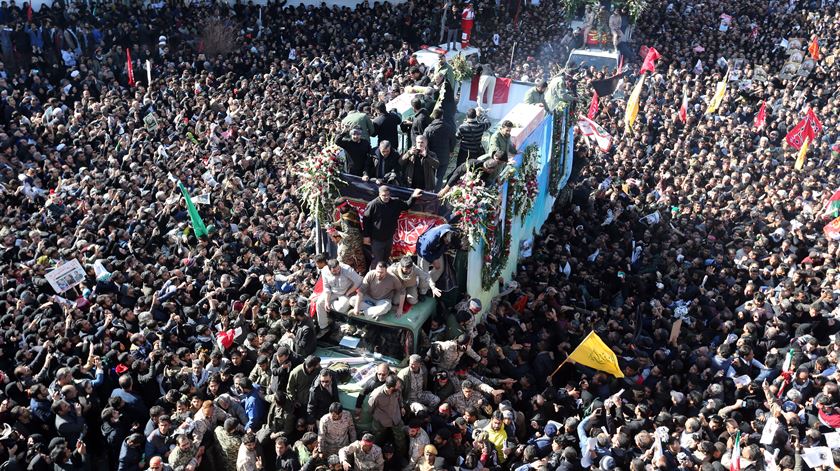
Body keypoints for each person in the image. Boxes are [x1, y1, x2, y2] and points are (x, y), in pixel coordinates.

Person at [362, 186, 423, 268]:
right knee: (377, 262)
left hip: (389, 239)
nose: (386, 197)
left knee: (385, 260)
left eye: (388, 194)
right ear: (379, 194)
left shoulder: (395, 202)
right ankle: (373, 277)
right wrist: (366, 236)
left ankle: (383, 277)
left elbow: (407, 205)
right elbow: (366, 220)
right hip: (377, 240)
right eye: (384, 195)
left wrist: (413, 196)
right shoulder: (373, 205)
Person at [315, 259, 363, 336]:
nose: (337, 272)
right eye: (334, 271)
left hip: (346, 293)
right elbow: (326, 287)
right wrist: (327, 301)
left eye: (338, 269)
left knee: (342, 308)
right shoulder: (324, 271)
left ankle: (330, 308)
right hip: (332, 292)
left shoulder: (346, 269)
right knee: (319, 303)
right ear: (329, 269)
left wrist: (350, 291)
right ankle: (324, 327)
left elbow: (359, 280)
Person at [438, 150, 508, 199]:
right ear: (488, 169)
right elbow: (456, 175)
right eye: (492, 170)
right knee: (444, 194)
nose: (493, 172)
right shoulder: (471, 164)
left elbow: (481, 182)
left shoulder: (486, 172)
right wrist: (445, 189)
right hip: (456, 180)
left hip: (467, 186)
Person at [330, 202, 368, 276]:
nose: (338, 210)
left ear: (342, 207)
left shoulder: (348, 216)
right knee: (359, 255)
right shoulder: (349, 210)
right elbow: (341, 220)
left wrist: (336, 232)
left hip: (352, 240)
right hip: (356, 238)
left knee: (343, 257)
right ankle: (361, 271)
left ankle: (354, 272)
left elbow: (348, 235)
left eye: (339, 208)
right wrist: (333, 224)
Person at [422, 109, 457, 188]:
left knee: (430, 175)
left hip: (431, 156)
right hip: (444, 155)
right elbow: (453, 140)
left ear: (434, 116)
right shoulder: (448, 127)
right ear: (442, 116)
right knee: (439, 176)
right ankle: (436, 193)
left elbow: (424, 142)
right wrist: (451, 150)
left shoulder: (428, 129)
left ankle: (429, 192)